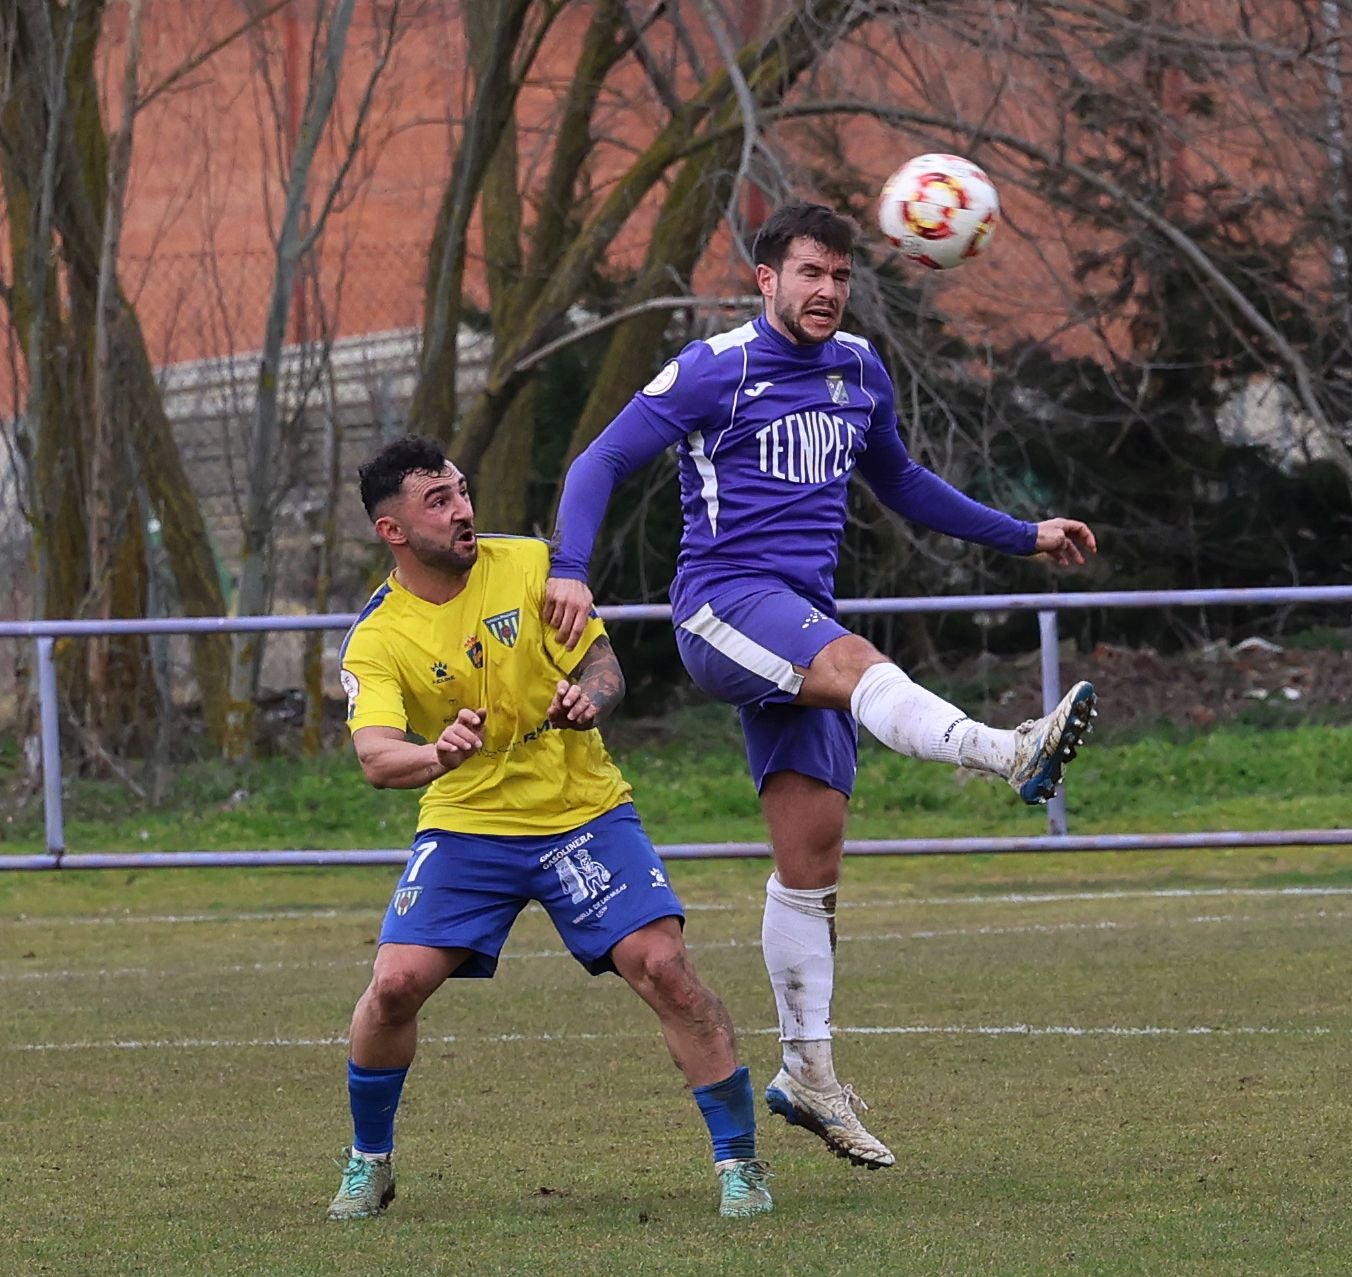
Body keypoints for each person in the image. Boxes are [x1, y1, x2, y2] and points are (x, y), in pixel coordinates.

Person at [543, 203, 1099, 1171]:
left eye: (840, 277)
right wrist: (569, 566)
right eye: (808, 273)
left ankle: (807, 1073)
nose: (827, 291)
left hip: (796, 616)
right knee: (860, 664)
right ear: (765, 279)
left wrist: (1024, 533)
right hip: (723, 606)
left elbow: (903, 482)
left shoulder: (858, 369)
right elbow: (602, 458)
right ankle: (1007, 753)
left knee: (812, 865)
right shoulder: (717, 367)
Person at [326, 434, 772, 1222]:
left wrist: (588, 700)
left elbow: (604, 669)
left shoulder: (534, 566)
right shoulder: (377, 636)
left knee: (665, 968)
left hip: (582, 811)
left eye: (461, 490)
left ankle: (740, 1165)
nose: (463, 510)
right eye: (438, 501)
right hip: (467, 826)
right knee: (393, 986)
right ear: (391, 531)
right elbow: (374, 758)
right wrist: (436, 753)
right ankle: (368, 1160)